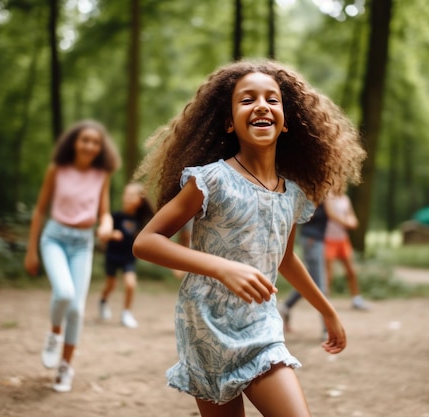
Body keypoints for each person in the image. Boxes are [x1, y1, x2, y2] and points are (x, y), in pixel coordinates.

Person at [133, 60, 365, 417]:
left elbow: (285, 259)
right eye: (247, 99)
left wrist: (327, 309)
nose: (261, 105)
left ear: (286, 122)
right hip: (205, 326)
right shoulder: (210, 181)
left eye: (273, 99)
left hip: (261, 327)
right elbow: (146, 242)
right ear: (229, 121)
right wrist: (223, 268)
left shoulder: (294, 196)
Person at [24, 120, 120, 392]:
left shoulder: (102, 174)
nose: (90, 146)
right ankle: (55, 333)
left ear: (101, 148)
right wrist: (31, 251)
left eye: (95, 142)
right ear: (74, 142)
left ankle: (65, 367)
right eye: (84, 140)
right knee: (64, 293)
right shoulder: (57, 169)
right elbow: (39, 211)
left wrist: (105, 225)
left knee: (77, 309)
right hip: (54, 238)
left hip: (82, 244)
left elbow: (104, 212)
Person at [98, 182, 154, 328]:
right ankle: (103, 301)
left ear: (140, 200)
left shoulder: (142, 221)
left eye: (131, 195)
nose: (127, 198)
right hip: (112, 255)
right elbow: (102, 236)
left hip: (128, 258)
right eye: (126, 195)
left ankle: (126, 313)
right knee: (111, 285)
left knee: (130, 284)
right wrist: (112, 234)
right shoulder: (115, 217)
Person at [278, 204, 328, 337]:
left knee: (310, 280)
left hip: (316, 239)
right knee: (319, 284)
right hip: (312, 239)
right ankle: (326, 328)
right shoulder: (319, 191)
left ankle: (286, 306)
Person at [324, 193, 368, 310]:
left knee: (351, 270)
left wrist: (353, 221)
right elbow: (331, 215)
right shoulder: (328, 197)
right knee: (328, 273)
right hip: (328, 239)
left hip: (343, 239)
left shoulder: (345, 198)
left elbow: (352, 216)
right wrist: (346, 222)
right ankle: (326, 300)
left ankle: (356, 299)